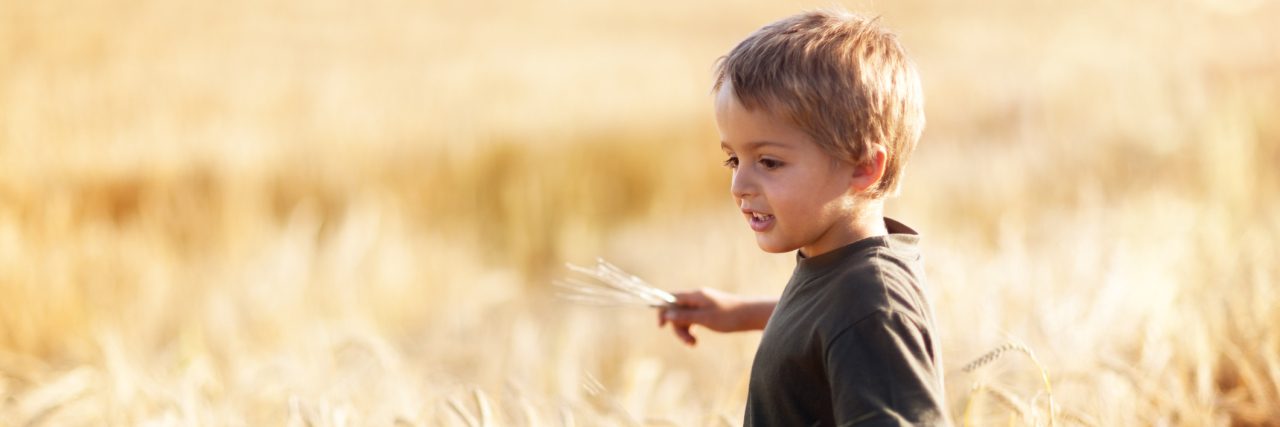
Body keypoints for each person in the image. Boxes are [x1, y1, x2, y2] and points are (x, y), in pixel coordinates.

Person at [657, 8, 948, 426]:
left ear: (862, 166)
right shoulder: (844, 270)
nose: (739, 185)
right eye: (734, 160)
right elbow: (829, 318)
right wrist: (741, 313)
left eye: (769, 162)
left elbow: (858, 323)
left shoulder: (874, 306)